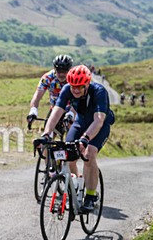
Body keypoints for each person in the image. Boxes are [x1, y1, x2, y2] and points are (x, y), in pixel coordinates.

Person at [34, 65, 115, 214]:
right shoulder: (67, 89)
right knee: (68, 152)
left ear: (87, 84)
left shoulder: (99, 92)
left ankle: (90, 196)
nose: (76, 90)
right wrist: (46, 134)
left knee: (89, 154)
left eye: (80, 87)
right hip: (80, 122)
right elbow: (56, 112)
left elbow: (98, 120)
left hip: (99, 125)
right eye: (73, 87)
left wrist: (85, 139)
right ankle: (77, 182)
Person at [27, 54, 74, 132]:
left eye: (64, 71)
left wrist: (71, 114)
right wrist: (33, 110)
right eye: (59, 71)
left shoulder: (74, 78)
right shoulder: (48, 78)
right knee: (47, 135)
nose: (62, 74)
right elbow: (37, 95)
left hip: (72, 109)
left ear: (69, 70)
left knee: (72, 136)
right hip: (55, 109)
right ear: (55, 69)